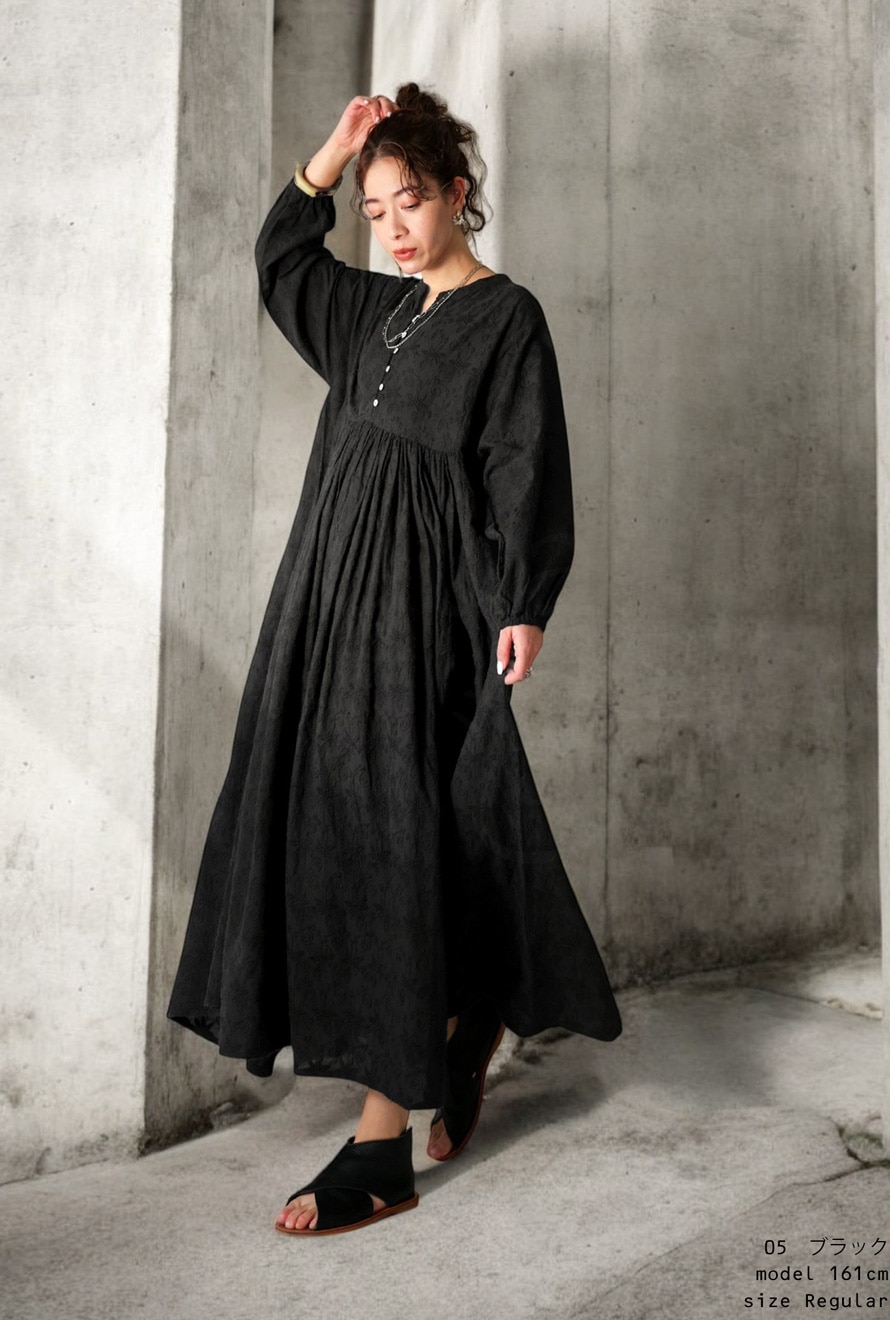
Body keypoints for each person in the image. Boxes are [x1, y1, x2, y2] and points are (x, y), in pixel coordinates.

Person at [167, 83, 622, 1238]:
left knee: (394, 845)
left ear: (458, 194)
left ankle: (380, 1146)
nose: (394, 226)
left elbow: (525, 460)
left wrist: (523, 604)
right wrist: (331, 154)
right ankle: (464, 1024)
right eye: (375, 211)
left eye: (409, 200)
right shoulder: (371, 312)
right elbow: (279, 259)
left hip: (426, 616)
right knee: (345, 831)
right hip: (324, 608)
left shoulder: (506, 316)